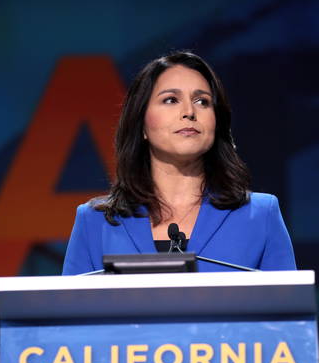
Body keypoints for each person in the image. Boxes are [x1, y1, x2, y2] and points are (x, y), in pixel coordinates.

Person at [62, 51, 295, 275]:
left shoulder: (261, 216)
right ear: (141, 123)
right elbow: (69, 312)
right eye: (171, 100)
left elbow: (287, 312)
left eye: (202, 101)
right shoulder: (94, 222)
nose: (189, 112)